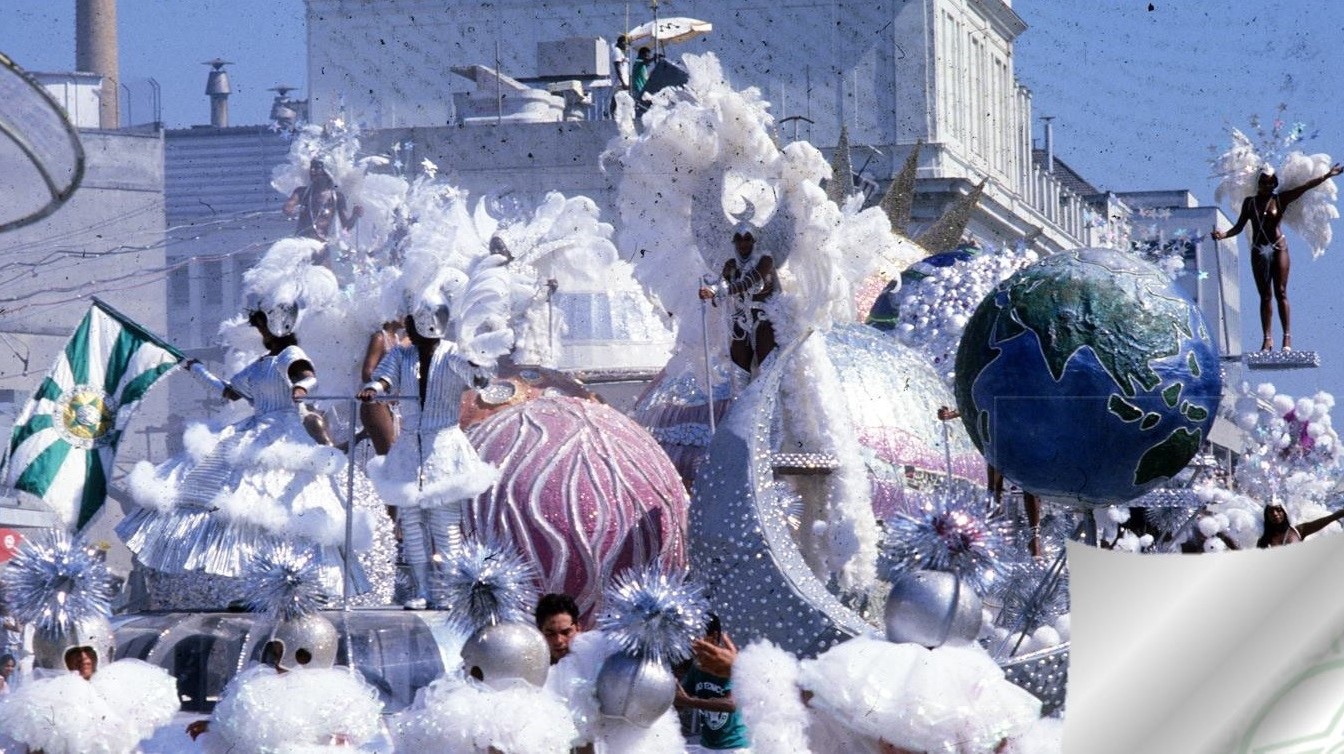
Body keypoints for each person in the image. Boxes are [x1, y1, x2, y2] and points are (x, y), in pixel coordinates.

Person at [117, 309, 366, 594]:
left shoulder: (290, 353)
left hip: (284, 433)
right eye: (258, 326)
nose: (261, 332)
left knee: (282, 504)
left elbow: (308, 376)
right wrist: (194, 368)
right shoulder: (261, 363)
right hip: (255, 429)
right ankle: (255, 582)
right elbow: (229, 392)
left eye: (263, 325)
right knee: (240, 505)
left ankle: (301, 579)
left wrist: (300, 389)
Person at [359, 308, 498, 610]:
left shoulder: (452, 353)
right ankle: (422, 589)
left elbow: (477, 378)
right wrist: (373, 388)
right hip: (410, 446)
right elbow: (383, 377)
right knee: (410, 522)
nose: (414, 325)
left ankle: (450, 590)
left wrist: (478, 364)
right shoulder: (403, 355)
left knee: (444, 523)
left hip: (445, 447)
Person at [1211, 162, 1343, 351]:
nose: (1268, 186)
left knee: (1280, 292)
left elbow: (1304, 188)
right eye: (1264, 182)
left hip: (1278, 248)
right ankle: (1267, 340)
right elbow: (1239, 227)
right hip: (1258, 250)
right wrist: (1223, 235)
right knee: (1265, 296)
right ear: (1259, 183)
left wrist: (1327, 176)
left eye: (1271, 183)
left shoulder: (1280, 200)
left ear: (1275, 183)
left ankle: (1287, 339)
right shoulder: (1250, 202)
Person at [936, 406, 1043, 557]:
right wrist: (951, 414)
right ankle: (993, 534)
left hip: (1022, 434)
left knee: (1028, 484)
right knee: (994, 489)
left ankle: (1035, 539)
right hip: (999, 436)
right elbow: (974, 403)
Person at [699, 223, 780, 375]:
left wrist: (721, 292)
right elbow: (720, 283)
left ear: (754, 241)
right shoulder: (731, 265)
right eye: (738, 240)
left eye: (747, 239)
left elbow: (749, 282)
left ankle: (765, 398)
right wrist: (710, 291)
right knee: (738, 369)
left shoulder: (765, 261)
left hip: (765, 321)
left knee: (767, 366)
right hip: (741, 322)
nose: (743, 244)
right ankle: (741, 399)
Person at [675, 614, 750, 753]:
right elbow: (681, 701)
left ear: (714, 636)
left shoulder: (728, 664)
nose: (692, 643)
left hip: (735, 747)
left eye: (696, 637)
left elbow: (731, 704)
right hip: (707, 746)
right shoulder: (696, 667)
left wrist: (688, 701)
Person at [283, 158, 364, 262]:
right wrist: (289, 208)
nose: (312, 171)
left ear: (327, 171)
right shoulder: (301, 192)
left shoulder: (337, 197)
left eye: (317, 168)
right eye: (311, 167)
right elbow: (288, 207)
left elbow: (346, 227)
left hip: (321, 247)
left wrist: (355, 215)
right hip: (301, 245)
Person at [1256, 502, 1344, 548]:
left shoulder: (1298, 531)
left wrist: (1339, 514)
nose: (1275, 514)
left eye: (1278, 510)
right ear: (1266, 516)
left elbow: (1327, 519)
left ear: (1285, 512)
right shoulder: (1263, 541)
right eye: (1271, 511)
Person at [534, 593, 582, 665]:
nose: (558, 641)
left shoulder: (596, 665)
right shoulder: (531, 669)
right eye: (550, 634)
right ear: (540, 633)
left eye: (565, 633)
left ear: (578, 628)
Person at [609, 35, 630, 116]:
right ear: (622, 43)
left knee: (619, 99)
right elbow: (617, 67)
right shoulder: (617, 52)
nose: (627, 46)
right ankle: (613, 115)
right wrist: (623, 82)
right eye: (626, 44)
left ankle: (614, 115)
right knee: (617, 98)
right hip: (619, 81)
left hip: (621, 81)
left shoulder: (620, 52)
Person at [631, 46, 654, 113]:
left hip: (641, 89)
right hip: (638, 89)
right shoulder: (638, 61)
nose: (648, 58)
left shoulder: (642, 65)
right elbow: (646, 61)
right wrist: (654, 58)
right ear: (642, 55)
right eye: (647, 56)